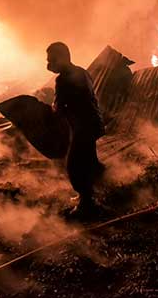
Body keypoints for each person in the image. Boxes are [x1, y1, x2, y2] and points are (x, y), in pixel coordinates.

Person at [46, 41, 105, 218]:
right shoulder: (82, 71)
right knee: (90, 158)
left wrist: (48, 110)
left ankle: (87, 204)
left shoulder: (63, 79)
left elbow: (59, 108)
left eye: (52, 61)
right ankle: (104, 185)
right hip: (93, 123)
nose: (48, 65)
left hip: (83, 127)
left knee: (74, 166)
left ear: (63, 58)